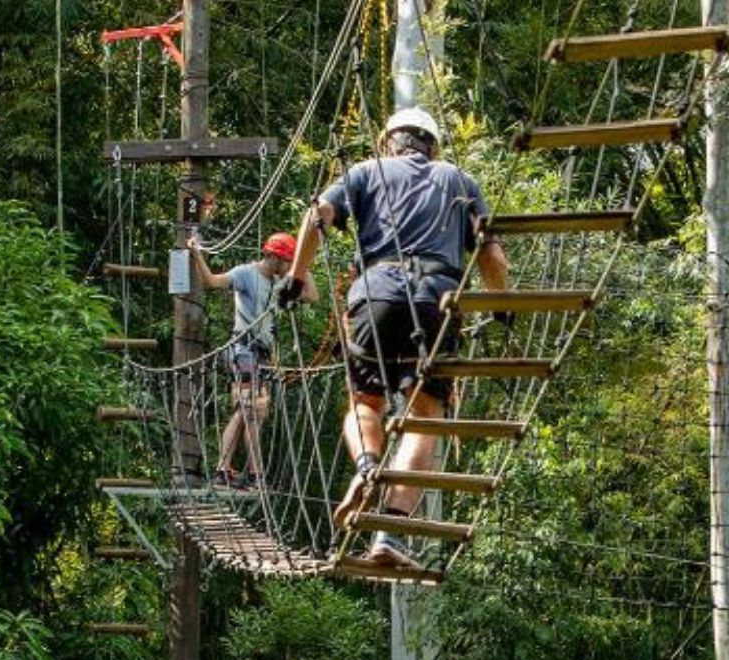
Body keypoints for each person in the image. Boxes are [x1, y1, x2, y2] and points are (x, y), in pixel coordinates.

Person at [278, 107, 509, 569]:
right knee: (424, 418)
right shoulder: (461, 182)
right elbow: (491, 255)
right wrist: (502, 303)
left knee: (365, 403)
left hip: (374, 298)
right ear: (433, 146)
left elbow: (316, 216)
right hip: (438, 302)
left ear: (389, 142)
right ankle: (391, 532)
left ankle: (367, 467)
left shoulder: (365, 172)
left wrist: (297, 278)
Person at [188, 232, 317, 489]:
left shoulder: (282, 282)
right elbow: (212, 282)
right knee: (251, 408)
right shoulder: (246, 273)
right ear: (271, 256)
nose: (287, 267)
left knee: (251, 412)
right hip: (243, 350)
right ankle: (252, 474)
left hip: (263, 354)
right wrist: (196, 254)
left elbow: (312, 296)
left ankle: (226, 470)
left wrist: (304, 264)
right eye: (285, 261)